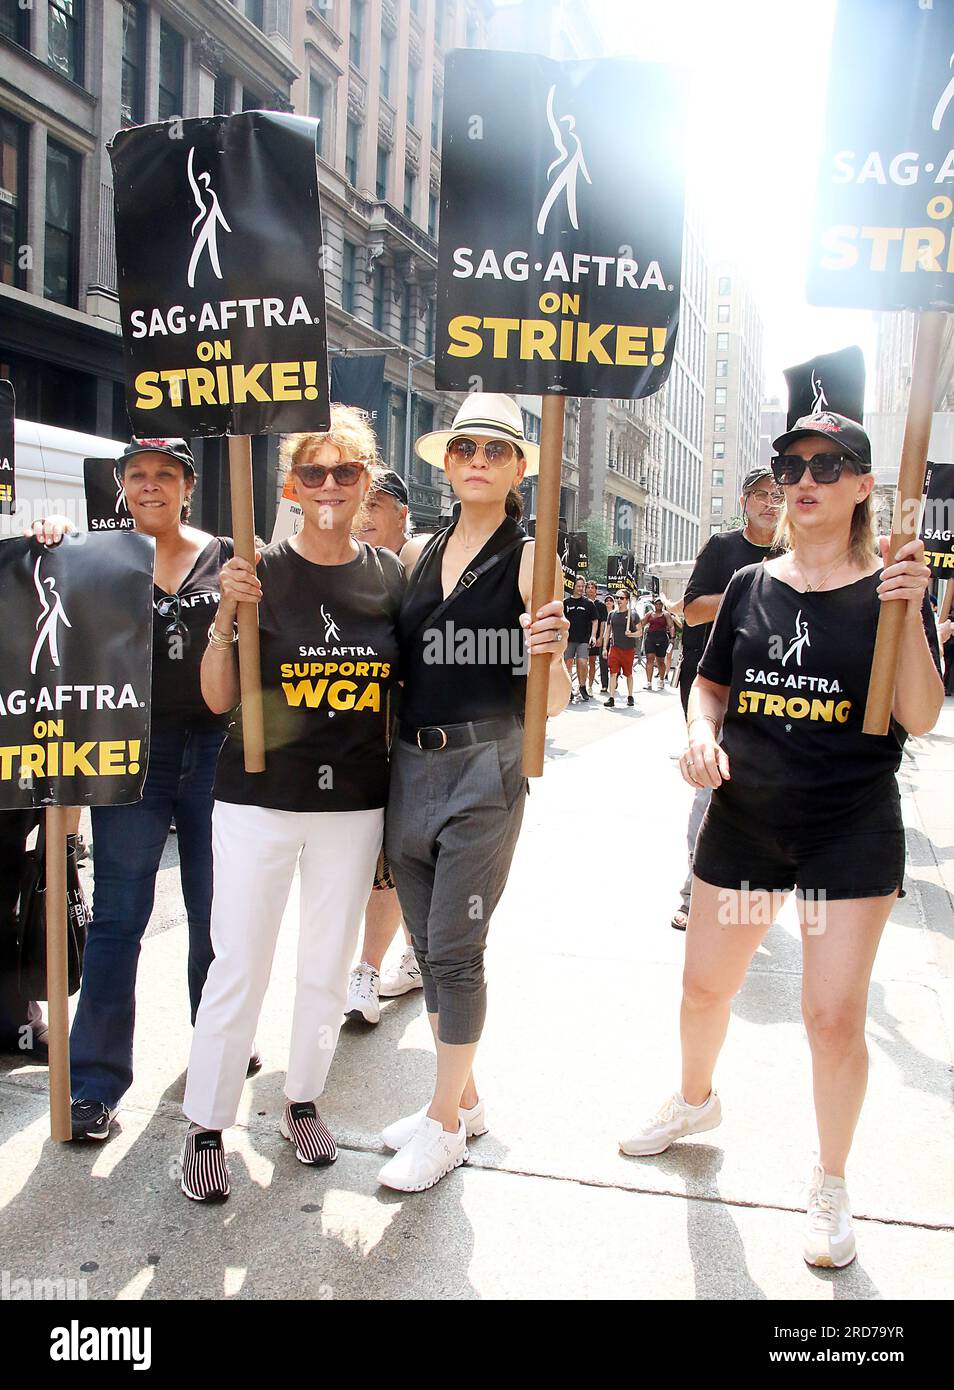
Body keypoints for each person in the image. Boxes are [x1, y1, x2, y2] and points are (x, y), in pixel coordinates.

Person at [620, 413, 944, 1270]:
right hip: (748, 828)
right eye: (790, 465)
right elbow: (709, 689)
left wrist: (908, 611)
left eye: (828, 465)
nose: (805, 479)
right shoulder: (750, 587)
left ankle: (831, 1180)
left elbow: (921, 714)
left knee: (831, 1018)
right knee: (703, 993)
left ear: (864, 485)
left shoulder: (894, 587)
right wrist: (699, 734)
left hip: (847, 835)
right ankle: (695, 1100)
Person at [180, 405, 404, 1202]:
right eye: (315, 472)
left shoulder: (389, 576)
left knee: (324, 964)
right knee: (239, 959)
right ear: (291, 485)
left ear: (367, 482)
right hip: (257, 798)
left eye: (347, 472)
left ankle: (302, 1100)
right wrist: (221, 620)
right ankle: (207, 1122)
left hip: (351, 802)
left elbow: (407, 693)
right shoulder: (254, 569)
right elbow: (214, 700)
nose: (332, 485)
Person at [378, 392, 570, 1193]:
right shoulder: (422, 549)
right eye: (465, 450)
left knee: (456, 953)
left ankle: (443, 1123)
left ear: (520, 467)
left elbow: (553, 700)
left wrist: (551, 655)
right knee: (426, 948)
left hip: (486, 769)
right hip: (408, 767)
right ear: (447, 464)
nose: (478, 462)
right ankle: (468, 1098)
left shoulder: (532, 556)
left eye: (495, 450)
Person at [64, 440, 247, 1143]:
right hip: (128, 755)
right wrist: (49, 544)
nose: (150, 486)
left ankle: (217, 1041)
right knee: (118, 916)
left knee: (214, 907)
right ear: (120, 488)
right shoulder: (92, 557)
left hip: (213, 748)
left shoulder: (227, 552)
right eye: (136, 476)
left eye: (164, 475)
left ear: (188, 487)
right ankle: (94, 1083)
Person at [670, 467, 782, 932]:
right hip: (714, 684)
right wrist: (745, 588)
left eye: (779, 493)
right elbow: (691, 611)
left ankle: (754, 888)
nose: (771, 502)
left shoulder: (797, 552)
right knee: (710, 786)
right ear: (743, 501)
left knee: (763, 791)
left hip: (775, 691)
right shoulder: (722, 549)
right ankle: (695, 889)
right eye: (761, 494)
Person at [348, 468, 421, 1021]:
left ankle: (369, 970)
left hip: (413, 740)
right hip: (349, 742)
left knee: (392, 862)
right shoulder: (341, 564)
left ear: (401, 514)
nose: (365, 514)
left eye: (378, 505)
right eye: (361, 504)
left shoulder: (420, 564)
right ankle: (393, 961)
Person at [563, 575, 597, 700]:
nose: (581, 588)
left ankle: (582, 686)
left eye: (583, 586)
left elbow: (595, 620)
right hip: (568, 639)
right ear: (573, 586)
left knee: (582, 662)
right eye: (579, 586)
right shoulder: (565, 603)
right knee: (567, 663)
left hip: (583, 639)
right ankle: (567, 688)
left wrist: (593, 636)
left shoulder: (588, 603)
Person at [603, 589, 639, 707]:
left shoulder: (633, 614)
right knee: (613, 673)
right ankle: (611, 697)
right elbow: (607, 632)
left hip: (628, 649)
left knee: (628, 673)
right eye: (617, 597)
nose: (619, 600)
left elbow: (640, 632)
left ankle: (630, 696)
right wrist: (605, 648)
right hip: (615, 648)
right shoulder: (612, 614)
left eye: (622, 598)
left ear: (627, 600)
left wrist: (631, 634)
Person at [639, 598, 674, 691]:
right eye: (656, 603)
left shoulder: (666, 614)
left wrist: (672, 638)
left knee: (660, 660)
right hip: (651, 637)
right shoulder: (650, 614)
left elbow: (671, 626)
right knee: (649, 658)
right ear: (654, 604)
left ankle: (661, 680)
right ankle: (649, 682)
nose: (658, 605)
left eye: (660, 603)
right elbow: (642, 623)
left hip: (662, 637)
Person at [585, 580, 609, 694]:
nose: (590, 589)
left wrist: (600, 637)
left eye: (592, 587)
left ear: (596, 590)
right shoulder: (583, 602)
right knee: (582, 662)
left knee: (592, 662)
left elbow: (603, 622)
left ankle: (590, 686)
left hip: (595, 637)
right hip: (583, 636)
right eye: (588, 587)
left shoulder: (601, 606)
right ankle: (582, 685)